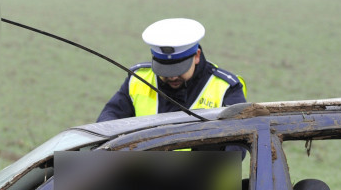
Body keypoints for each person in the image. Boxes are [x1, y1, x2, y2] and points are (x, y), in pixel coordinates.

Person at [97, 18, 246, 121]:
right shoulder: (137, 79)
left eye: (178, 69)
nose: (172, 77)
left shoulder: (226, 88)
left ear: (196, 56)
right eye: (165, 71)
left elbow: (235, 148)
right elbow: (108, 120)